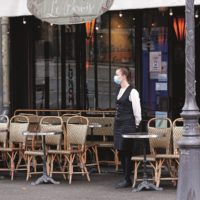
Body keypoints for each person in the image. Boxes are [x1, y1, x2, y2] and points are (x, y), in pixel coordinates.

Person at [113, 66, 142, 189]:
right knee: (120, 150)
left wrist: (135, 125)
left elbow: (137, 111)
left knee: (127, 152)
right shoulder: (119, 89)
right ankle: (126, 177)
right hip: (118, 124)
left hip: (128, 124)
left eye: (117, 74)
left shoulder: (133, 92)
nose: (115, 77)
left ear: (124, 76)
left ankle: (127, 178)